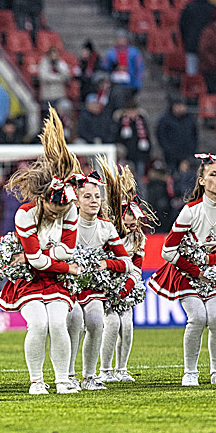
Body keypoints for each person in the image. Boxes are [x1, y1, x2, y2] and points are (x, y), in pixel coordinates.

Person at [0, 109, 81, 394]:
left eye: (62, 211)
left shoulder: (70, 211)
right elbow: (36, 260)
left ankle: (62, 380)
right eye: (54, 210)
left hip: (55, 279)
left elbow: (67, 250)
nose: (58, 215)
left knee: (58, 324)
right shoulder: (25, 214)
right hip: (28, 280)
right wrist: (64, 265)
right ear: (43, 200)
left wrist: (52, 257)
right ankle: (37, 381)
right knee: (38, 324)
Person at [149, 154, 216, 386]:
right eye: (213, 174)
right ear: (202, 180)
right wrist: (196, 270)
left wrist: (213, 260)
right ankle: (190, 372)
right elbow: (167, 251)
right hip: (187, 273)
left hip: (214, 274)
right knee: (198, 317)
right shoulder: (190, 211)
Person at [65, 167, 132, 391]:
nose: (94, 201)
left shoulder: (106, 227)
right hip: (67, 284)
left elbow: (126, 262)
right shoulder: (67, 224)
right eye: (87, 197)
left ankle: (89, 377)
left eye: (97, 196)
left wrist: (106, 264)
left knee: (95, 322)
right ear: (76, 201)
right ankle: (68, 375)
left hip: (93, 286)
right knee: (74, 319)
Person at [98, 163, 154, 382]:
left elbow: (136, 269)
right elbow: (103, 263)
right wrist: (112, 288)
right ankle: (105, 370)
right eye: (128, 220)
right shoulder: (108, 235)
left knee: (127, 326)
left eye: (135, 220)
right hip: (106, 287)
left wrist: (126, 289)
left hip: (125, 288)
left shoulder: (139, 238)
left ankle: (121, 369)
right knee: (112, 324)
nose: (132, 224)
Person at [179, 0, 216, 75]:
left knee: (192, 73)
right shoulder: (212, 8)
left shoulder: (188, 7)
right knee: (207, 72)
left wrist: (185, 40)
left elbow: (182, 26)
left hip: (191, 43)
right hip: (208, 45)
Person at [156, 97, 199, 172]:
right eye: (177, 106)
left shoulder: (190, 119)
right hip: (171, 157)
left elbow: (195, 135)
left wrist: (191, 151)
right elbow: (161, 136)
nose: (180, 108)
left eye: (182, 106)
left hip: (187, 155)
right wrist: (169, 150)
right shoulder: (165, 120)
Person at [111, 98, 151, 177]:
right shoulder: (121, 121)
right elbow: (116, 136)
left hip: (139, 154)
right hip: (125, 155)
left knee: (139, 175)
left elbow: (146, 136)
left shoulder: (141, 121)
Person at [101, 30, 145, 94]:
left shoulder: (134, 52)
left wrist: (137, 84)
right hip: (115, 83)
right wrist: (114, 66)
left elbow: (139, 68)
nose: (121, 41)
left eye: (123, 38)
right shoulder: (110, 53)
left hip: (130, 83)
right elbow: (105, 66)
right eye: (119, 38)